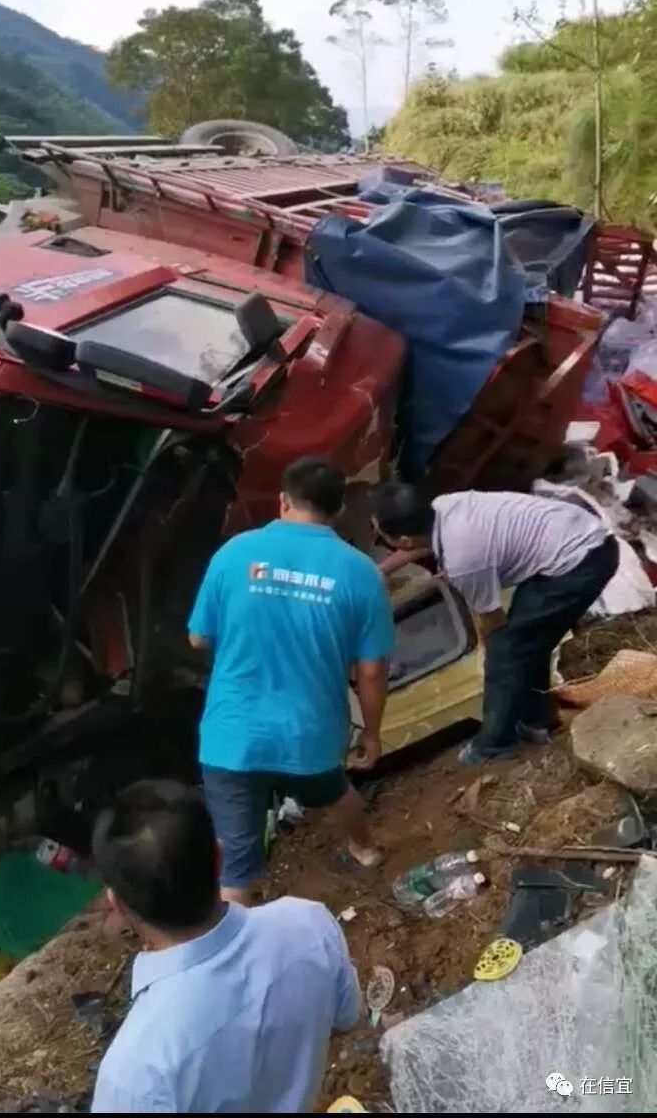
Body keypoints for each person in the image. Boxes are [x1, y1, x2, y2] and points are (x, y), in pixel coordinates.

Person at [188, 456, 394, 905]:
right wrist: (373, 735)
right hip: (310, 734)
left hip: (232, 734)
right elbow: (372, 669)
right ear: (338, 510)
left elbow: (199, 638)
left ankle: (239, 947)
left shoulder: (233, 553)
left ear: (283, 501)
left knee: (238, 860)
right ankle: (366, 852)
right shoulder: (361, 572)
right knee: (334, 791)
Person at [91, 780, 361, 1114]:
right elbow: (347, 1017)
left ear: (116, 904)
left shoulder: (135, 1073)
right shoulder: (308, 923)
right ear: (219, 857)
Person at [373, 484, 619, 764]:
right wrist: (381, 570)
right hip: (575, 534)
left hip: (580, 562)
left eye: (379, 531)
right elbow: (421, 543)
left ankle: (495, 744)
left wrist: (487, 654)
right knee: (529, 641)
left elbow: (491, 620)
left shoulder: (464, 560)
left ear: (402, 539)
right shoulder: (444, 504)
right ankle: (537, 719)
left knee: (507, 649)